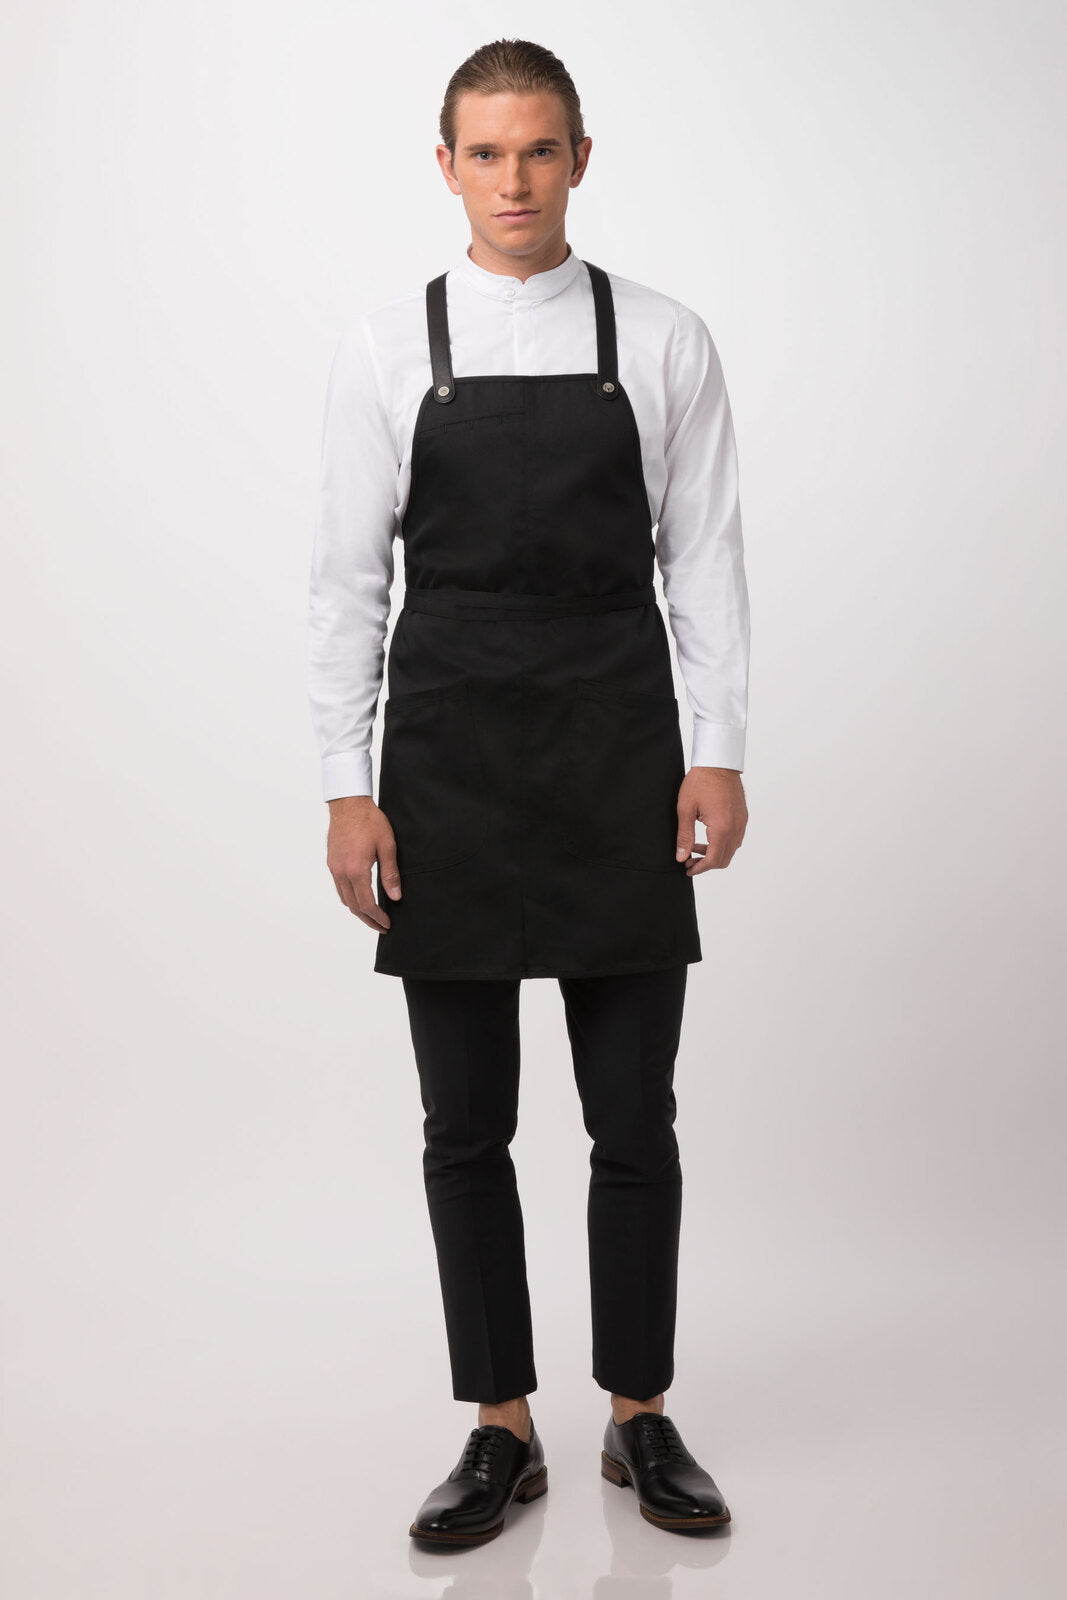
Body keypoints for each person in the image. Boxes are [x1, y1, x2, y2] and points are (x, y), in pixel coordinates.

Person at [306, 38, 750, 1545]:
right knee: (465, 1126)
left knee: (634, 1118)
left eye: (539, 150)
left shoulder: (666, 339)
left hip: (619, 750)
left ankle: (639, 1415)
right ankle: (501, 1425)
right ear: (446, 167)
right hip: (444, 762)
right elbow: (346, 584)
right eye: (486, 154)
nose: (514, 181)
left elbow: (704, 560)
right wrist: (345, 784)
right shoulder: (388, 347)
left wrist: (717, 748)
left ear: (580, 158)